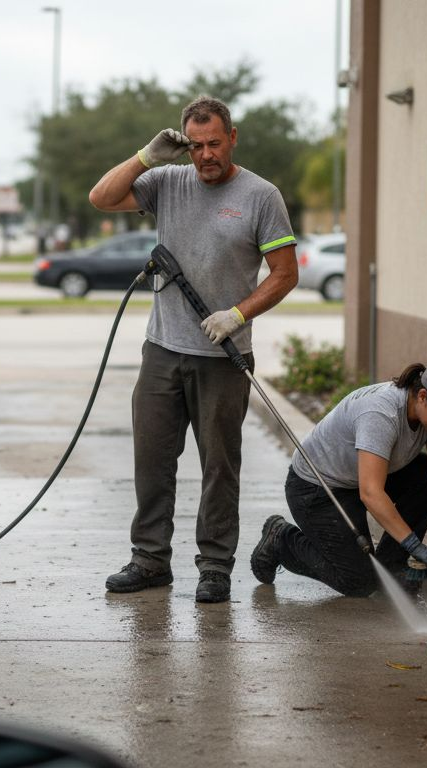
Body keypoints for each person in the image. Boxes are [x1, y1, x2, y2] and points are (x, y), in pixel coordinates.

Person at [88, 95, 298, 603]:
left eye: (214, 143)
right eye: (197, 146)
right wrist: (146, 157)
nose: (206, 155)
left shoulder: (260, 196)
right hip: (163, 349)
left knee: (219, 467)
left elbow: (286, 274)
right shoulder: (167, 183)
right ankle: (150, 560)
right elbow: (100, 197)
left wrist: (238, 315)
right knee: (152, 461)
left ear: (232, 138)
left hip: (223, 357)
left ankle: (215, 566)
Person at [248, 362, 427, 595]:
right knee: (358, 581)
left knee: (425, 478)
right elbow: (371, 493)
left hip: (357, 479)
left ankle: (391, 569)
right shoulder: (381, 413)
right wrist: (415, 546)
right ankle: (281, 539)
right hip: (317, 488)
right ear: (422, 395)